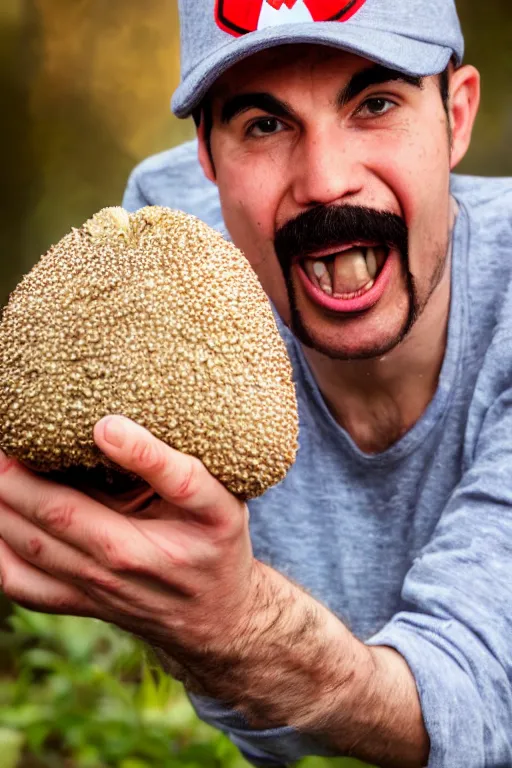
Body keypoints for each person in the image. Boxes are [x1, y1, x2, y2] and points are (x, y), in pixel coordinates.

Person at [0, 0, 511, 766]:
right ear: (206, 156)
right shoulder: (148, 276)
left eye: (375, 104)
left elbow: (475, 697)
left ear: (456, 116)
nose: (327, 182)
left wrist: (234, 625)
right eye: (264, 126)